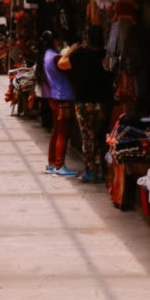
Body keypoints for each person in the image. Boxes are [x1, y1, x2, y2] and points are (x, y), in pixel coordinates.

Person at [60, 29, 114, 184]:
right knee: (98, 136)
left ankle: (90, 172)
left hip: (84, 100)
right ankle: (100, 171)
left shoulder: (80, 54)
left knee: (87, 136)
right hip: (103, 100)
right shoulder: (105, 54)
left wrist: (71, 50)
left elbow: (62, 64)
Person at [40, 31, 77, 177]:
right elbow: (66, 66)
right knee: (63, 132)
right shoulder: (55, 58)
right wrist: (71, 51)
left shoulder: (45, 55)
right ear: (54, 41)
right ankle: (59, 165)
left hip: (53, 96)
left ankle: (51, 163)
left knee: (56, 131)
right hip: (62, 96)